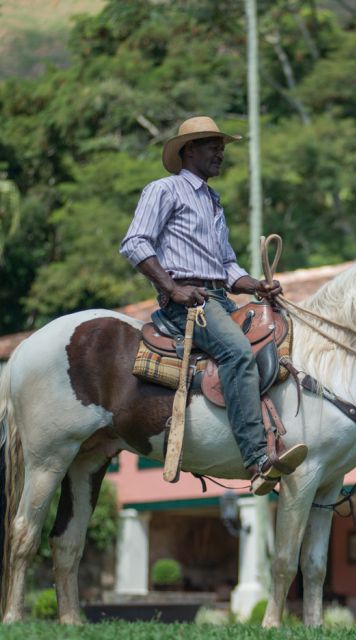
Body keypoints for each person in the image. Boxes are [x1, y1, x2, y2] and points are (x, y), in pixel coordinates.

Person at [120, 116, 307, 495]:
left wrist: (256, 284)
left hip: (219, 298)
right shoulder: (165, 189)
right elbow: (135, 243)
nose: (221, 153)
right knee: (238, 353)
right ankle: (257, 457)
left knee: (276, 331)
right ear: (189, 150)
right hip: (186, 304)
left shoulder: (212, 200)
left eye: (222, 146)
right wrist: (173, 288)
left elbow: (226, 266)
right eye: (213, 146)